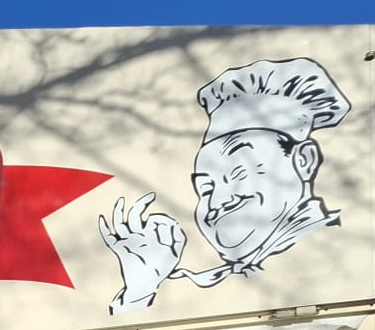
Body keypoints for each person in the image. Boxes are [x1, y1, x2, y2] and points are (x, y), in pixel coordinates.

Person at [97, 56, 350, 315]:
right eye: (206, 188)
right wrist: (141, 287)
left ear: (304, 160)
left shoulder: (343, 257)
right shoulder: (208, 290)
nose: (218, 200)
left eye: (239, 173)